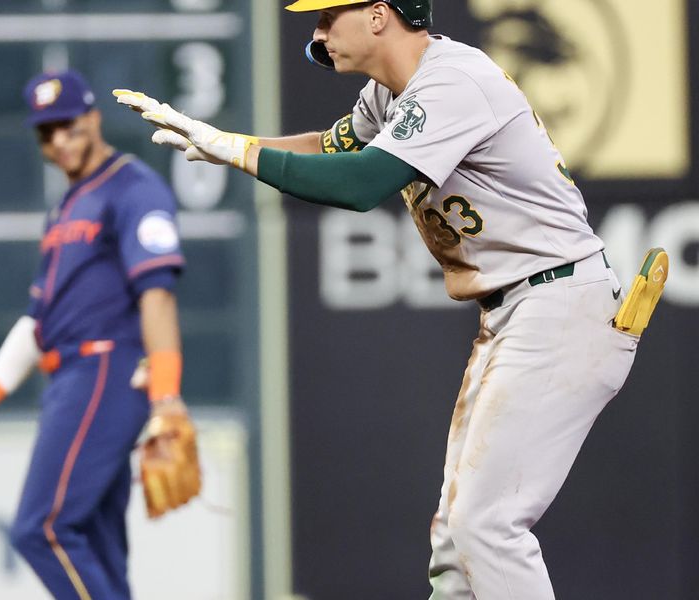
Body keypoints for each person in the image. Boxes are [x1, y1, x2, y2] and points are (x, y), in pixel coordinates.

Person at [113, 1, 667, 598]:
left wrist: (238, 154)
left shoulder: (452, 81)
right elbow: (333, 151)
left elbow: (359, 183)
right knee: (457, 549)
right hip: (520, 309)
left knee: (487, 526)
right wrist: (230, 141)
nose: (318, 31)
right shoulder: (390, 95)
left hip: (560, 304)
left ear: (380, 14)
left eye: (329, 15)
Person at [0, 69, 200, 600]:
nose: (59, 140)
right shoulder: (66, 206)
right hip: (72, 376)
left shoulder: (133, 186)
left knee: (44, 528)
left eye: (67, 124)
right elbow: (38, 321)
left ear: (92, 117)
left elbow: (157, 294)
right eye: (46, 132)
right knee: (95, 542)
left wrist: (167, 396)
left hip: (107, 370)